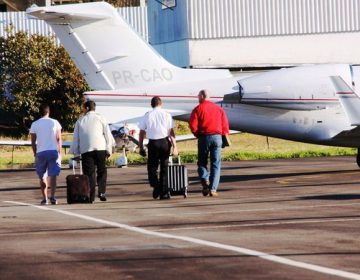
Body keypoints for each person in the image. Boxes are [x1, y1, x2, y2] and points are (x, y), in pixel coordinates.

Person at [70, 100, 115, 203]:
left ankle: (91, 197)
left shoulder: (80, 120)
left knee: (89, 174)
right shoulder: (101, 118)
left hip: (86, 150)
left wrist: (76, 153)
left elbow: (76, 138)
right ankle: (102, 192)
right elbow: (107, 134)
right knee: (102, 171)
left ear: (86, 108)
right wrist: (109, 149)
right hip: (100, 148)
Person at [189, 89, 229, 197]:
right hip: (217, 137)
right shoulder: (219, 109)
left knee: (202, 162)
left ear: (202, 96)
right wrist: (224, 136)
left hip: (204, 137)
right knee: (216, 164)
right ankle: (213, 189)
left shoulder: (198, 109)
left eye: (198, 96)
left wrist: (197, 135)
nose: (197, 98)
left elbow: (193, 125)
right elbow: (225, 125)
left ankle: (205, 179)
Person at [138, 96, 178, 200]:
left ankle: (156, 185)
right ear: (161, 104)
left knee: (152, 167)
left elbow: (142, 131)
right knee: (164, 168)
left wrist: (141, 146)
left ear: (151, 105)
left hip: (153, 143)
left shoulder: (147, 115)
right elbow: (171, 132)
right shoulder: (167, 115)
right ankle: (164, 193)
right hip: (165, 142)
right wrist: (175, 147)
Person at [30, 104, 62, 205]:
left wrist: (35, 153)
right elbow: (59, 138)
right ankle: (53, 197)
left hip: (41, 152)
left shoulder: (35, 124)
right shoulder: (55, 122)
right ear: (48, 112)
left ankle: (45, 199)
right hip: (53, 151)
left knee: (42, 176)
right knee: (53, 175)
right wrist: (59, 152)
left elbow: (33, 141)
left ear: (39, 112)